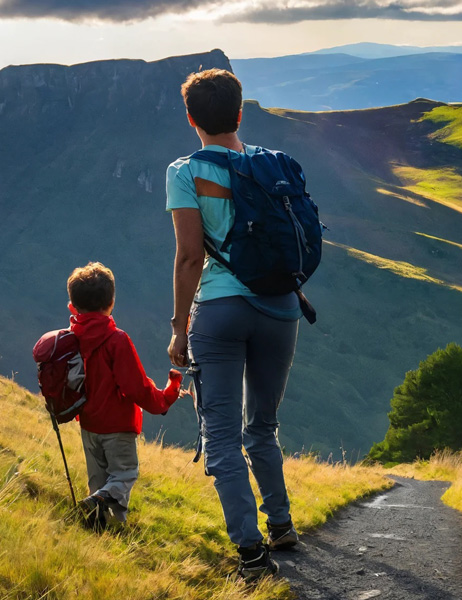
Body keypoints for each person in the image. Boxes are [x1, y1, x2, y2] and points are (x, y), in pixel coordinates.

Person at [166, 68, 303, 581]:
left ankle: (250, 549)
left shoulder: (185, 171)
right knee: (262, 427)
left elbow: (188, 257)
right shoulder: (273, 166)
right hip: (281, 306)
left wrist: (180, 329)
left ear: (191, 119)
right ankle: (282, 525)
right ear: (241, 113)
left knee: (220, 436)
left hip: (220, 313)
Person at [66, 262, 184, 528]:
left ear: (73, 306)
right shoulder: (116, 340)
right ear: (111, 303)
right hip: (118, 426)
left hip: (88, 424)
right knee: (124, 474)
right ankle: (105, 502)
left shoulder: (70, 339)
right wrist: (168, 394)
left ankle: (103, 529)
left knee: (97, 480)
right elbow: (136, 388)